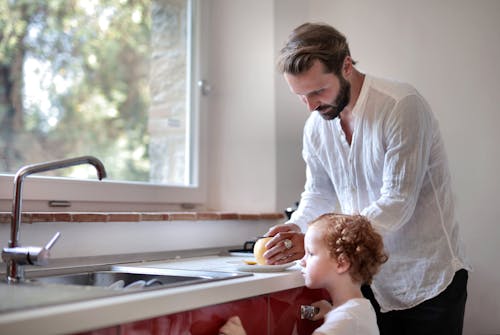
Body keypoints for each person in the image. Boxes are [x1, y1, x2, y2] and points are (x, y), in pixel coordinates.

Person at [262, 22, 470, 334]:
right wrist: (297, 227)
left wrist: (323, 243)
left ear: (346, 65)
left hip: (426, 282)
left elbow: (397, 203)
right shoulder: (316, 127)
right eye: (300, 95)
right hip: (366, 281)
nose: (311, 106)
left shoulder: (401, 106)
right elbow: (318, 193)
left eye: (318, 91)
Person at [219, 213, 388, 335]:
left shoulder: (339, 325)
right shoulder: (363, 309)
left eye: (311, 253)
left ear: (341, 263)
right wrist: (330, 312)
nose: (302, 261)